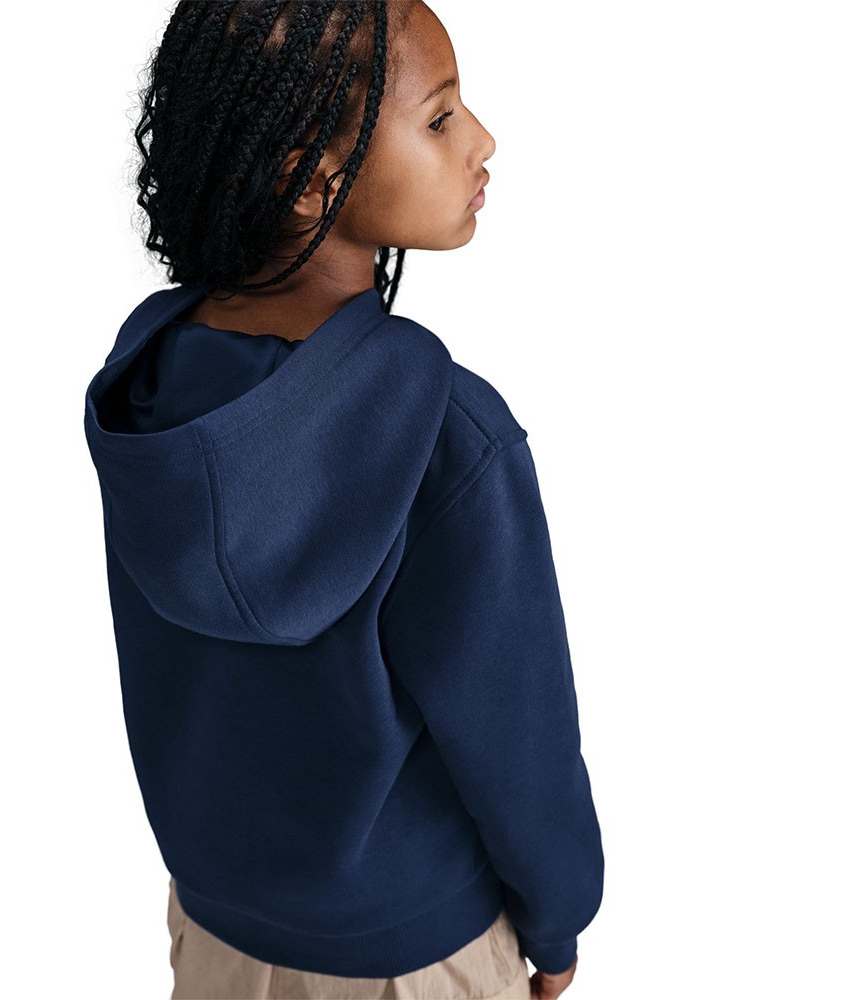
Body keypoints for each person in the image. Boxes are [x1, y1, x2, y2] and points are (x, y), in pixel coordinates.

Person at [82, 1, 604, 997]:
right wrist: (559, 917)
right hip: (418, 954)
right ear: (308, 180)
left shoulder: (151, 391)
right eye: (440, 118)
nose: (482, 140)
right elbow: (517, 736)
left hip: (215, 935)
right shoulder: (447, 435)